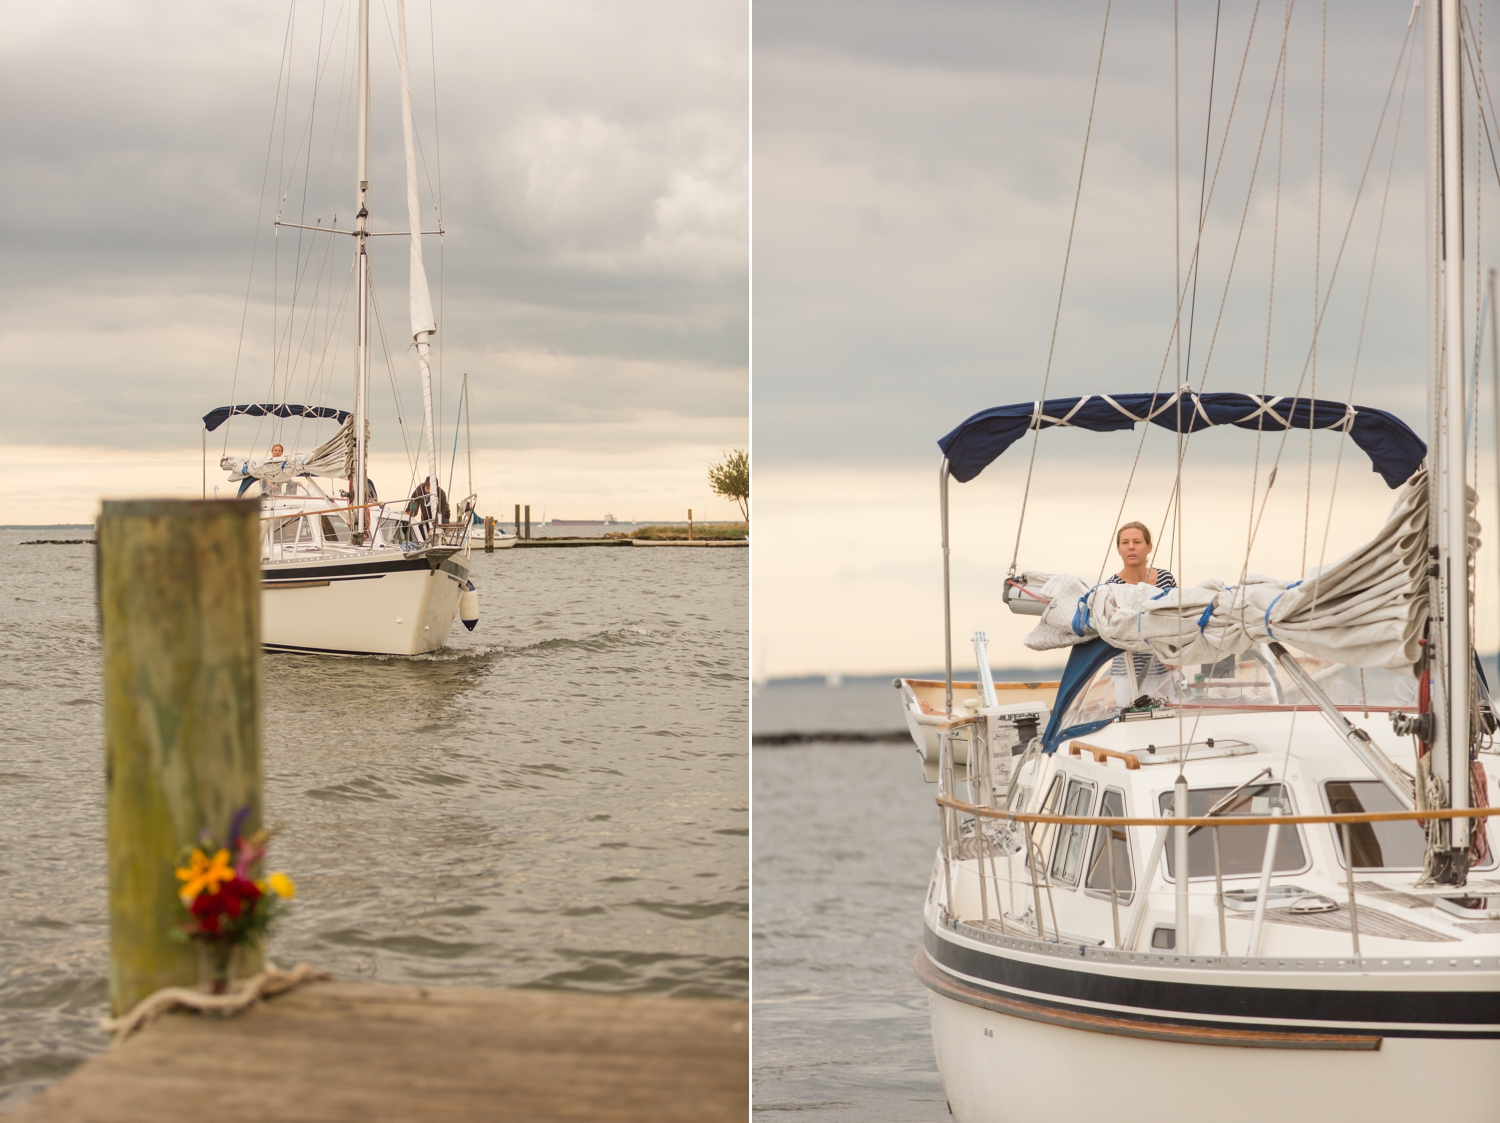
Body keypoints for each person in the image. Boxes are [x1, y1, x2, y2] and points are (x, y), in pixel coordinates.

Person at [1106, 521, 1176, 705]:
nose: (1131, 547)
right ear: (1119, 549)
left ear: (1149, 547)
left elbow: (1178, 619)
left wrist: (1173, 653)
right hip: (1128, 674)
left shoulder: (1166, 579)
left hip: (1165, 669)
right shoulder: (1111, 587)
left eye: (1137, 542)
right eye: (1125, 543)